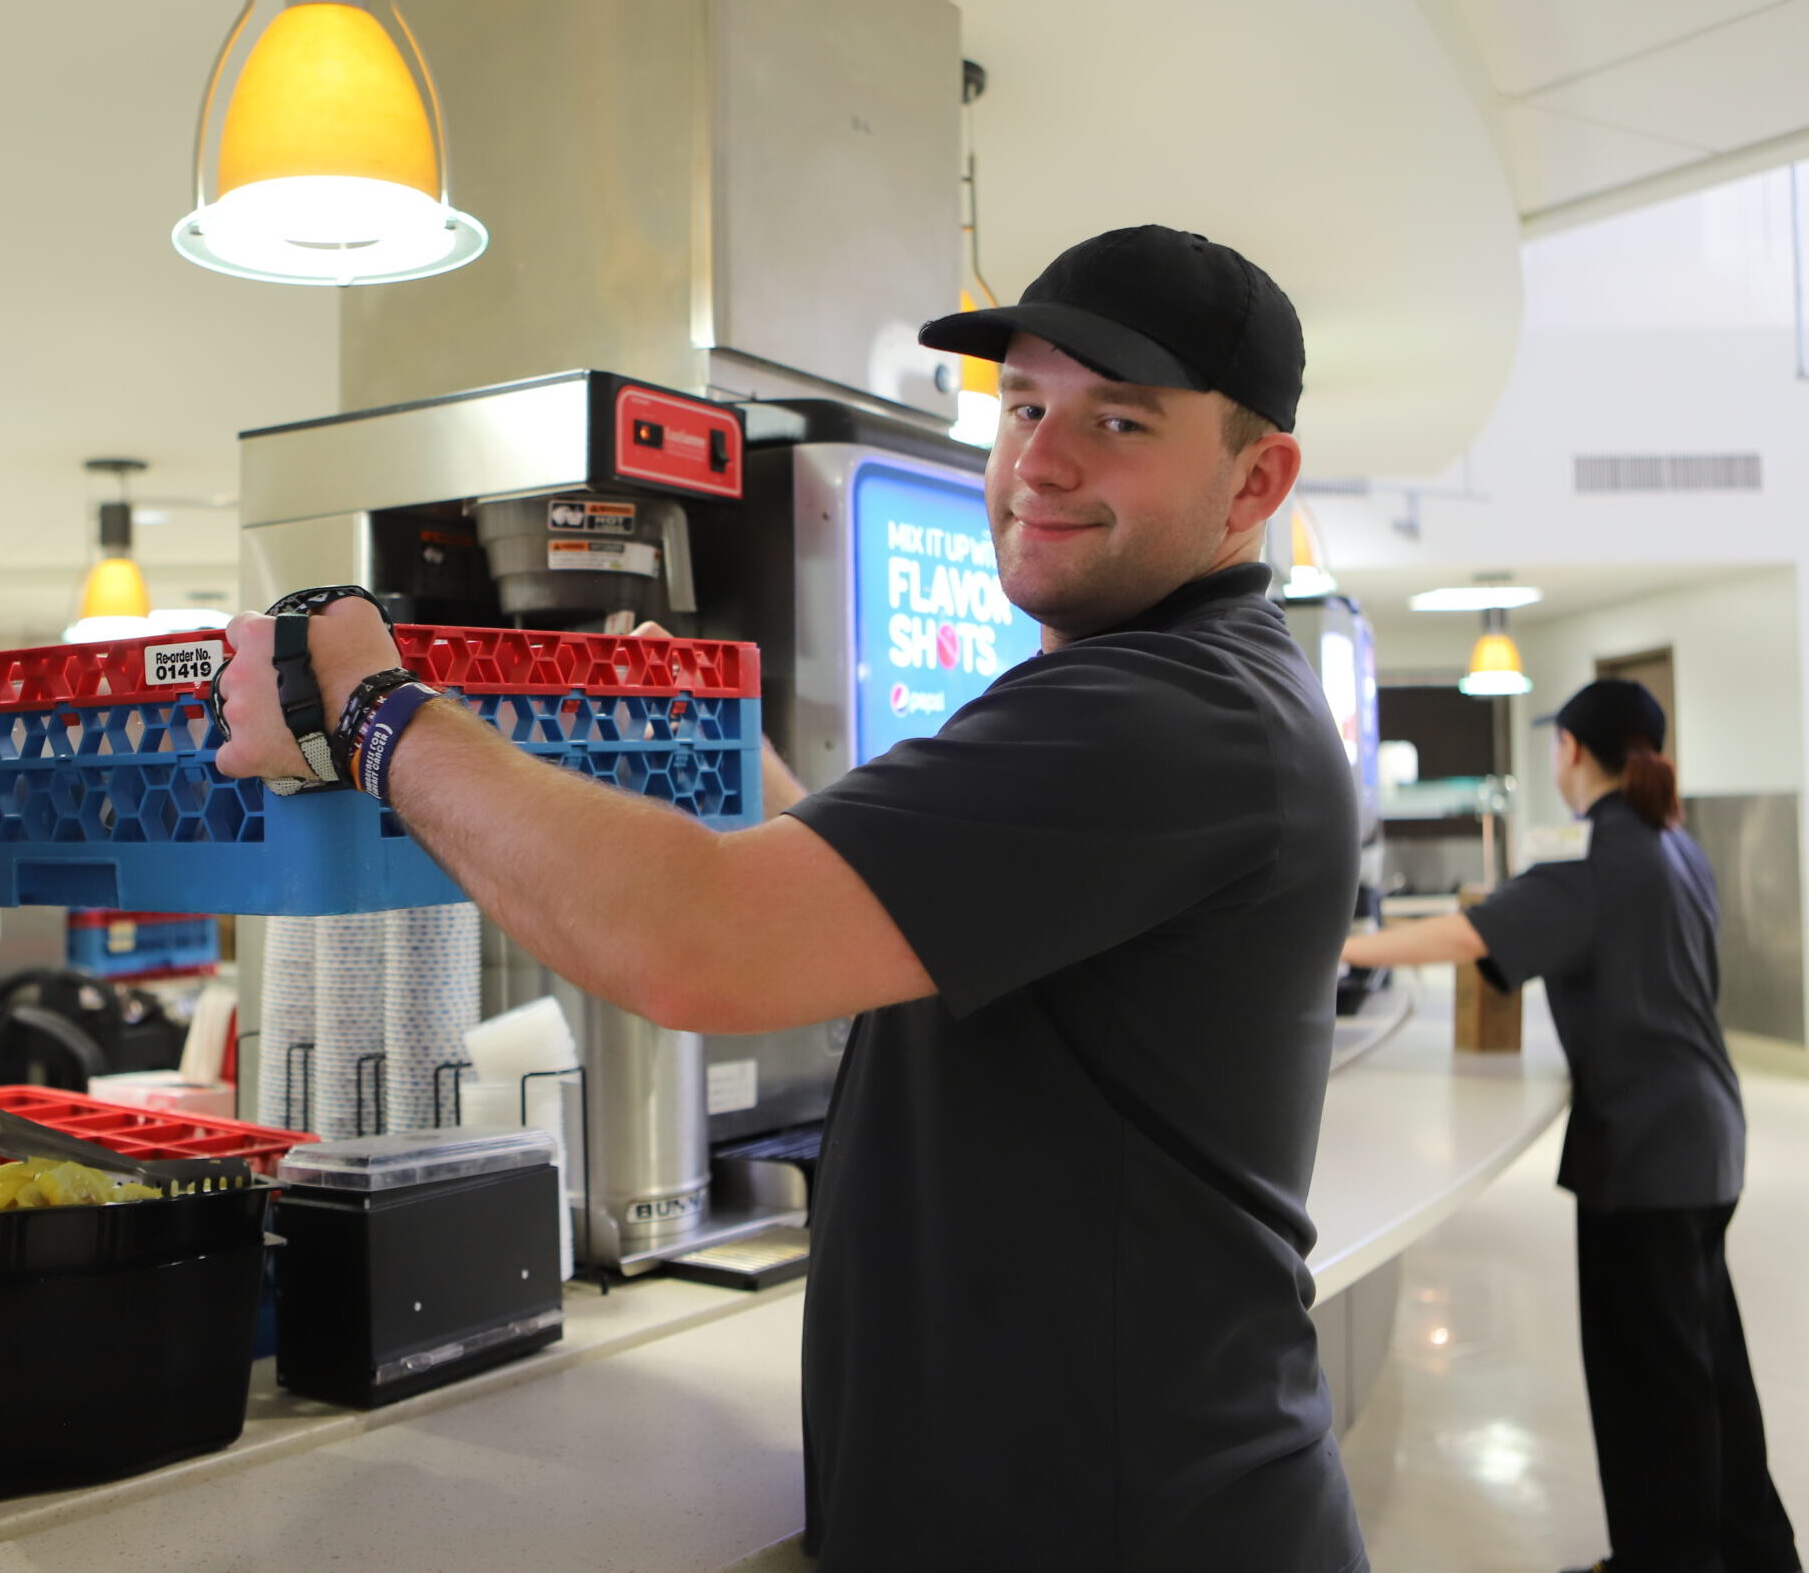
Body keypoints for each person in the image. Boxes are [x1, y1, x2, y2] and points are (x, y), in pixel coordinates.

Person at [215, 225, 1369, 1571]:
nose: (1041, 461)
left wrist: (365, 708)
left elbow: (692, 943)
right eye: (1026, 405)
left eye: (1119, 420)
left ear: (1255, 480)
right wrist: (744, 777)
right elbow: (894, 897)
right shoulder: (1177, 690)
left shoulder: (1172, 710)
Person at [1342, 679, 1799, 1573]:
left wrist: (1342, 946)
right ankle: (1757, 1550)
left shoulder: (1597, 869)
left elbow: (1464, 935)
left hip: (1648, 1157)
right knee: (1710, 1370)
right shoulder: (1678, 848)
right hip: (1710, 1140)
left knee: (1651, 1390)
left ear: (1573, 754)